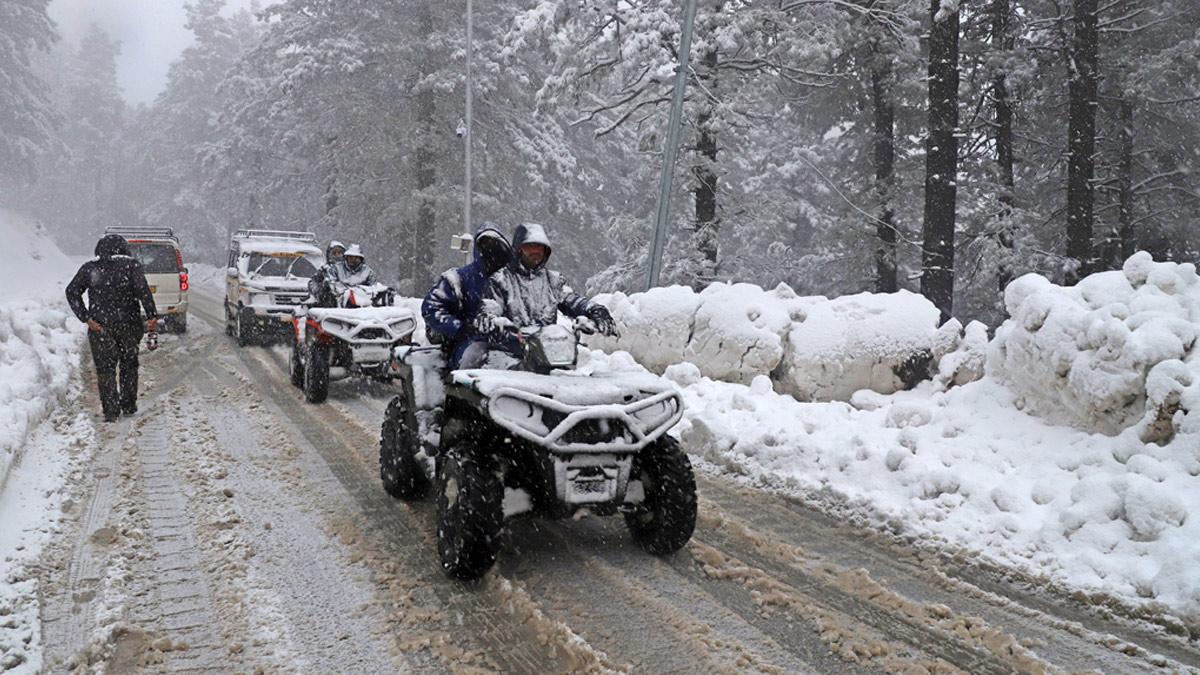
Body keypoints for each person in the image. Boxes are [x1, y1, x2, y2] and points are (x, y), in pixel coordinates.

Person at [478, 223, 616, 351]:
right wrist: (494, 323)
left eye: (540, 247)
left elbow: (573, 300)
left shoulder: (554, 280)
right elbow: (490, 309)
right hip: (510, 354)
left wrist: (595, 310)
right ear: (519, 248)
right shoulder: (500, 280)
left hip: (549, 352)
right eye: (530, 246)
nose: (536, 251)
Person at [66, 234, 159, 422]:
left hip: (100, 327)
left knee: (105, 369)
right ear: (124, 249)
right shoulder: (131, 266)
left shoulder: (90, 268)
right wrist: (151, 316)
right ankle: (128, 404)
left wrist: (87, 318)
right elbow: (144, 292)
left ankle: (110, 410)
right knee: (129, 364)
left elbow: (71, 291)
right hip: (129, 325)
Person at [422, 223, 512, 369]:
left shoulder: (511, 281)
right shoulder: (457, 279)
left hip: (509, 345)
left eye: (496, 248)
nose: (491, 253)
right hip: (467, 346)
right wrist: (459, 327)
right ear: (478, 250)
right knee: (474, 361)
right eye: (486, 247)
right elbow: (431, 308)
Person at [307, 240, 345, 305]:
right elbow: (313, 284)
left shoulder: (348, 269)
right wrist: (322, 289)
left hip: (346, 299)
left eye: (339, 253)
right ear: (329, 255)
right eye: (334, 253)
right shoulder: (324, 270)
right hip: (328, 302)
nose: (337, 255)